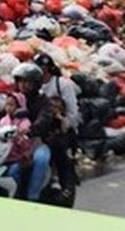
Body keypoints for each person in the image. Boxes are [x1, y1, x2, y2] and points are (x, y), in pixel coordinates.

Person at [33, 52, 80, 195]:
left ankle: (61, 182)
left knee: (57, 147)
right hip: (39, 128)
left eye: (44, 69)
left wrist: (64, 124)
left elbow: (73, 112)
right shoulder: (33, 87)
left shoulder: (62, 85)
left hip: (60, 129)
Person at [7, 64, 55, 202]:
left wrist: (31, 130)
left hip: (36, 142)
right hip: (14, 142)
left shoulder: (43, 101)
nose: (24, 85)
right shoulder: (15, 99)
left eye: (27, 82)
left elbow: (44, 118)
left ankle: (32, 196)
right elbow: (1, 114)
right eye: (21, 81)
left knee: (40, 160)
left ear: (36, 84)